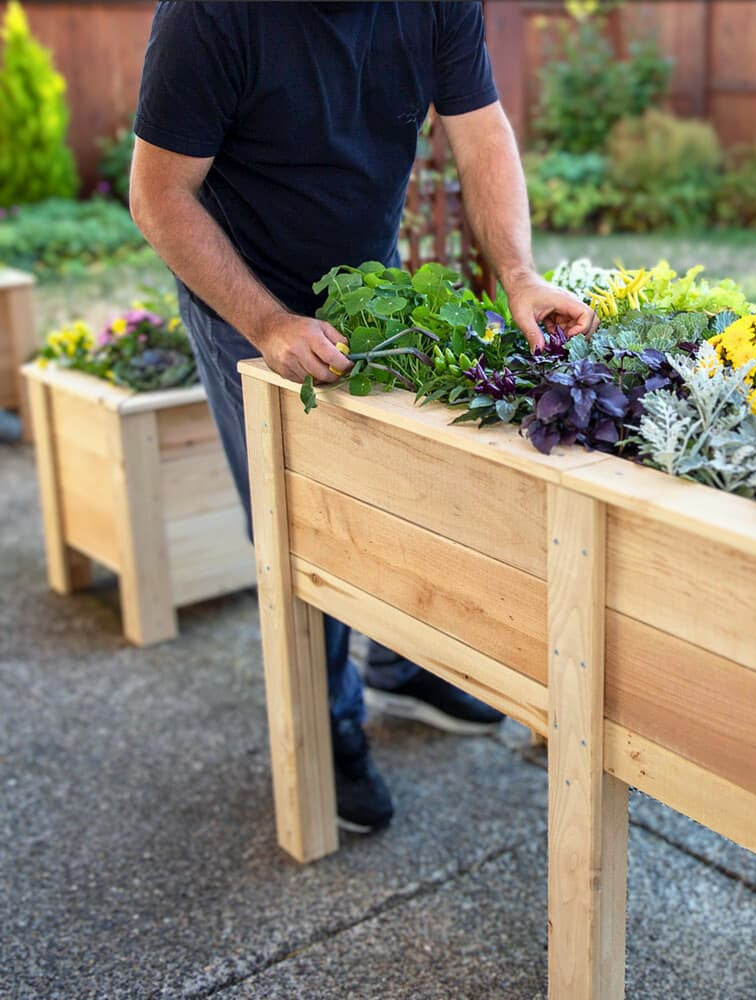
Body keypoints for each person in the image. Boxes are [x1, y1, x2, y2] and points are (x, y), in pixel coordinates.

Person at [130, 1, 596, 835]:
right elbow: (161, 196)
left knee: (389, 493)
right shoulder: (211, 14)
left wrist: (520, 274)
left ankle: (398, 667)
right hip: (243, 290)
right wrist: (269, 323)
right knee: (295, 522)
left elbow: (482, 132)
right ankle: (331, 721)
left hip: (366, 280)